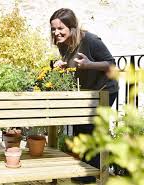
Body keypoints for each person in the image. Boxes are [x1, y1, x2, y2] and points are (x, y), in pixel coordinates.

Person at [49, 8, 118, 183]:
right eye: (53, 29)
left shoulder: (91, 40)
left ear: (72, 27)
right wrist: (62, 67)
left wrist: (89, 65)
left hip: (104, 90)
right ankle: (85, 171)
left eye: (60, 29)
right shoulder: (63, 43)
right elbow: (73, 66)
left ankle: (91, 175)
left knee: (91, 129)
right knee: (80, 128)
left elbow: (112, 65)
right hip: (87, 93)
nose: (56, 33)